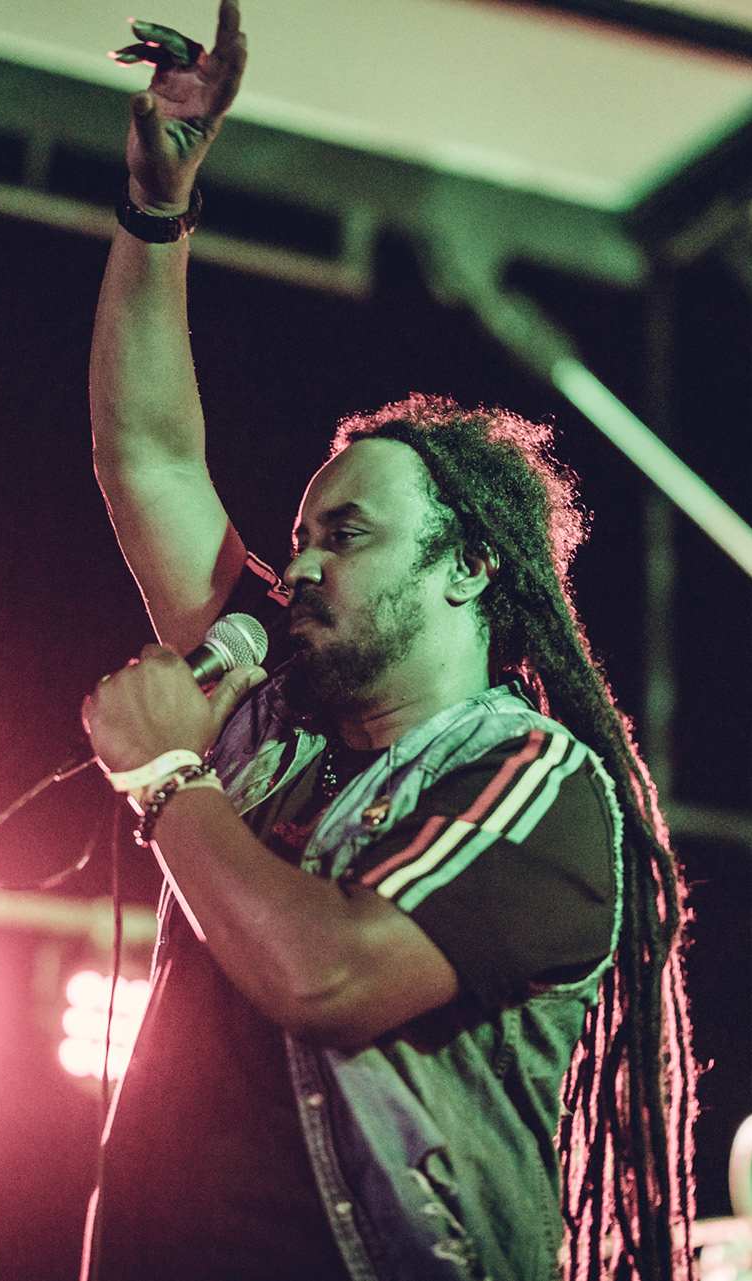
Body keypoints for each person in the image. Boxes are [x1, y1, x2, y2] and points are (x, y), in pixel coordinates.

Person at [74, 3, 695, 1279]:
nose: (299, 563)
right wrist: (156, 209)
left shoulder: (533, 784)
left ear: (468, 567)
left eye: (346, 536)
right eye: (300, 535)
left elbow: (333, 977)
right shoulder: (276, 716)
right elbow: (149, 456)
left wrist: (171, 779)